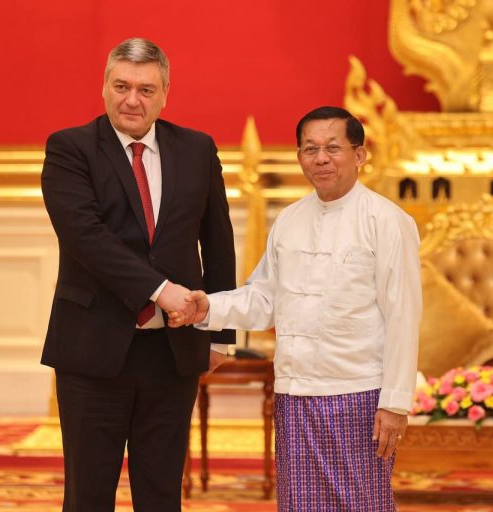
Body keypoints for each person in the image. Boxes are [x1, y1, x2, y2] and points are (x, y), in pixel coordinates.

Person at [171, 106, 422, 511]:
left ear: (360, 155)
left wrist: (394, 403)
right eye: (310, 149)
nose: (321, 159)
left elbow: (404, 317)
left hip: (358, 394)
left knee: (362, 504)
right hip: (294, 394)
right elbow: (265, 299)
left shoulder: (388, 221)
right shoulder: (289, 220)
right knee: (298, 504)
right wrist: (207, 309)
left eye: (333, 148)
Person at [40, 37, 236, 511]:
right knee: (87, 497)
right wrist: (160, 291)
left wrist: (221, 334)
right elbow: (85, 237)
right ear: (104, 87)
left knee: (162, 495)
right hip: (93, 350)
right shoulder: (70, 148)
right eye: (122, 86)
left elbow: (218, 241)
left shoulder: (197, 149)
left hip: (172, 354)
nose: (132, 99)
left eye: (146, 90)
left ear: (165, 94)